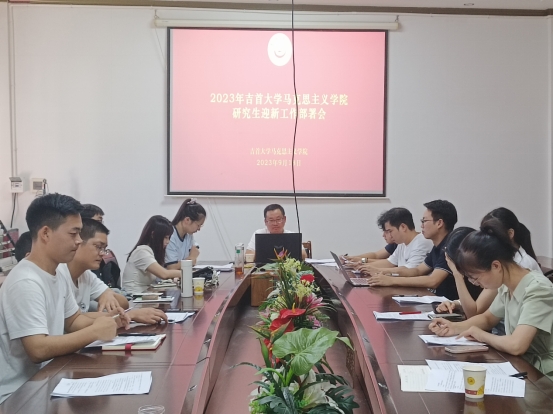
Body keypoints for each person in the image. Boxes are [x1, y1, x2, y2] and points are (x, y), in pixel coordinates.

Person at [0, 193, 128, 404]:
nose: (79, 241)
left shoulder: (58, 271)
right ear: (46, 233)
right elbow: (38, 349)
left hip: (49, 379)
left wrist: (112, 320)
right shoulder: (26, 281)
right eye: (73, 233)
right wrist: (94, 331)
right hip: (19, 395)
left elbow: (73, 320)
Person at [429, 219, 553, 381]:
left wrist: (480, 334)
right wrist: (454, 327)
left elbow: (517, 345)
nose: (475, 283)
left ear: (496, 266)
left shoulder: (538, 289)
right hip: (522, 366)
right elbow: (488, 318)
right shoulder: (507, 285)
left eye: (475, 277)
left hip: (544, 376)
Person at [58, 218, 168, 324]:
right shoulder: (59, 275)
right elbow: (73, 320)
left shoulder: (86, 276)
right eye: (98, 247)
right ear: (78, 242)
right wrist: (130, 315)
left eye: (104, 249)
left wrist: (108, 293)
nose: (102, 253)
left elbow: (124, 304)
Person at [437, 208, 541, 318]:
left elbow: (475, 312)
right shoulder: (503, 268)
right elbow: (486, 317)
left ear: (510, 234)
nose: (486, 241)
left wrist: (456, 273)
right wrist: (457, 303)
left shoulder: (514, 266)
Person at [363, 200, 461, 300]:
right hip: (438, 301)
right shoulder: (437, 247)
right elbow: (417, 270)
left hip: (451, 305)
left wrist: (391, 280)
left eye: (424, 221)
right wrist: (386, 273)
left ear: (439, 223)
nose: (421, 226)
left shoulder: (451, 246)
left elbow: (433, 281)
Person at [356, 207, 433, 272]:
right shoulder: (402, 243)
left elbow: (409, 271)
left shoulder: (422, 242)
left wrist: (376, 270)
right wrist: (363, 266)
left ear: (403, 227)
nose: (389, 235)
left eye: (390, 231)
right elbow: (389, 262)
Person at [122, 215, 182, 294]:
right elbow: (164, 274)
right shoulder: (142, 252)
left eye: (169, 238)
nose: (168, 242)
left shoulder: (149, 251)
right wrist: (186, 273)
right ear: (153, 234)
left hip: (144, 294)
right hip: (133, 297)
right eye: (166, 237)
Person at [165, 198, 206, 269]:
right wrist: (191, 259)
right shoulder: (170, 236)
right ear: (187, 220)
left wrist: (191, 259)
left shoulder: (188, 235)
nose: (199, 229)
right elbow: (171, 267)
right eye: (198, 225)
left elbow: (195, 250)